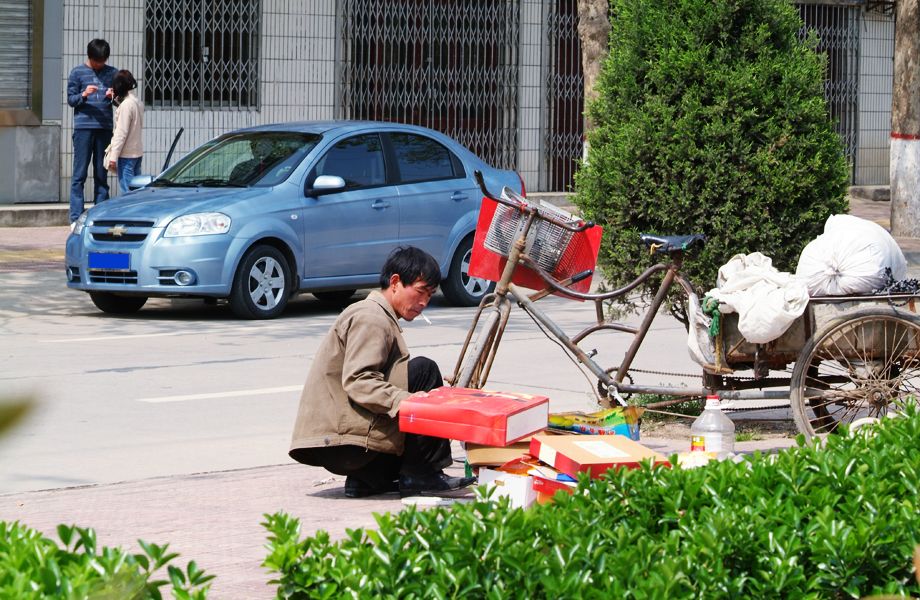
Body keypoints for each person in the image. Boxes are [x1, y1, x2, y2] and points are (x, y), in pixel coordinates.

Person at [289, 247, 476, 498]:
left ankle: (368, 479)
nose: (424, 303)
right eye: (420, 291)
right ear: (396, 282)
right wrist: (410, 402)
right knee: (423, 372)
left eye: (430, 295)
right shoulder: (371, 317)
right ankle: (423, 474)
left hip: (340, 443)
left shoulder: (376, 315)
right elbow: (358, 380)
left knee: (406, 384)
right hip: (343, 442)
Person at [67, 39, 117, 224]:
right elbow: (71, 100)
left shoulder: (112, 73)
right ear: (90, 57)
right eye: (98, 61)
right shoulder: (77, 73)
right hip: (83, 129)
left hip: (104, 128)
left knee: (101, 174)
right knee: (79, 174)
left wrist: (114, 97)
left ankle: (99, 216)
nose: (100, 65)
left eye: (103, 61)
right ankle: (75, 218)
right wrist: (84, 94)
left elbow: (121, 100)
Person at [106, 70, 144, 195]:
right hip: (137, 152)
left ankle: (131, 215)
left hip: (126, 155)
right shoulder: (137, 102)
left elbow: (121, 133)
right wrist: (115, 101)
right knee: (137, 191)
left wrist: (113, 157)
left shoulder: (126, 105)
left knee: (128, 193)